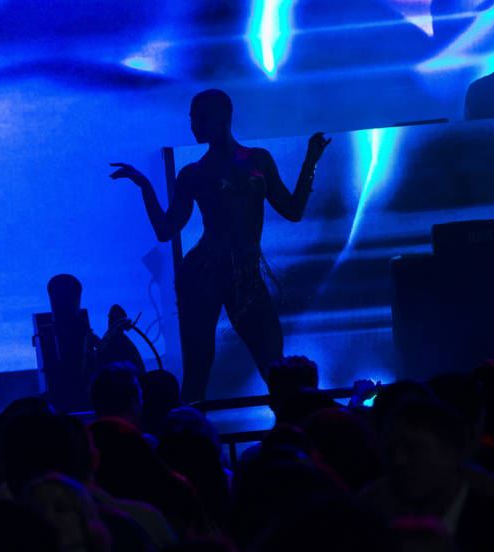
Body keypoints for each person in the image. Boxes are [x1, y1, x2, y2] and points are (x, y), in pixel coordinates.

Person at [111, 89, 330, 403]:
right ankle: (188, 429)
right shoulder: (193, 174)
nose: (192, 126)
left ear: (221, 118)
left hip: (246, 275)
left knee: (274, 364)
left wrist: (310, 162)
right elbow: (166, 230)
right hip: (203, 276)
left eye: (199, 119)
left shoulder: (259, 159)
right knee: (198, 371)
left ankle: (292, 422)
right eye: (192, 119)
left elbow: (293, 211)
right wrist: (145, 186)